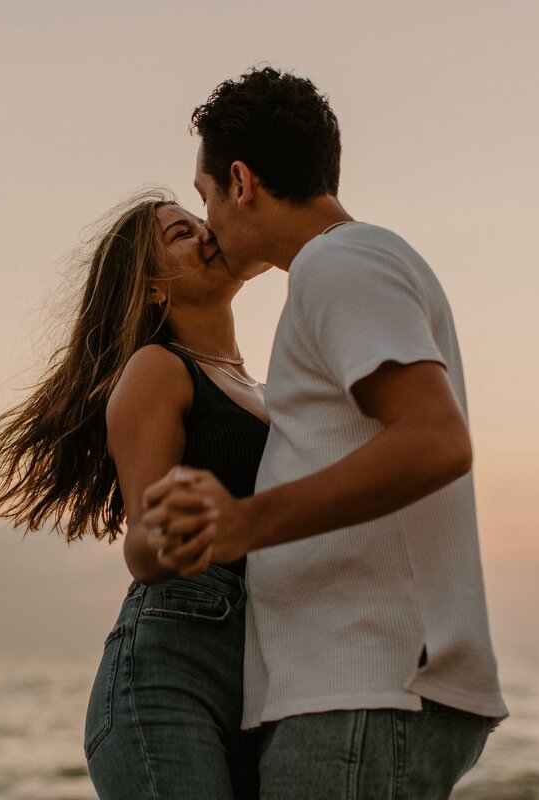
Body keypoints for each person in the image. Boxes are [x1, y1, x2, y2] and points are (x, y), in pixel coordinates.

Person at [143, 67, 509, 798]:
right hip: (359, 690)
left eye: (205, 195)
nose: (207, 218)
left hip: (362, 689)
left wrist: (247, 521)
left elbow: (436, 439)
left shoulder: (340, 264)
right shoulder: (352, 264)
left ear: (241, 181)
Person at [0, 189, 267, 798]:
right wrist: (172, 531)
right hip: (167, 678)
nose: (205, 234)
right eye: (181, 234)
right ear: (153, 288)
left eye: (201, 222)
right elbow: (145, 545)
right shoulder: (158, 369)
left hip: (257, 671)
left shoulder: (262, 387)